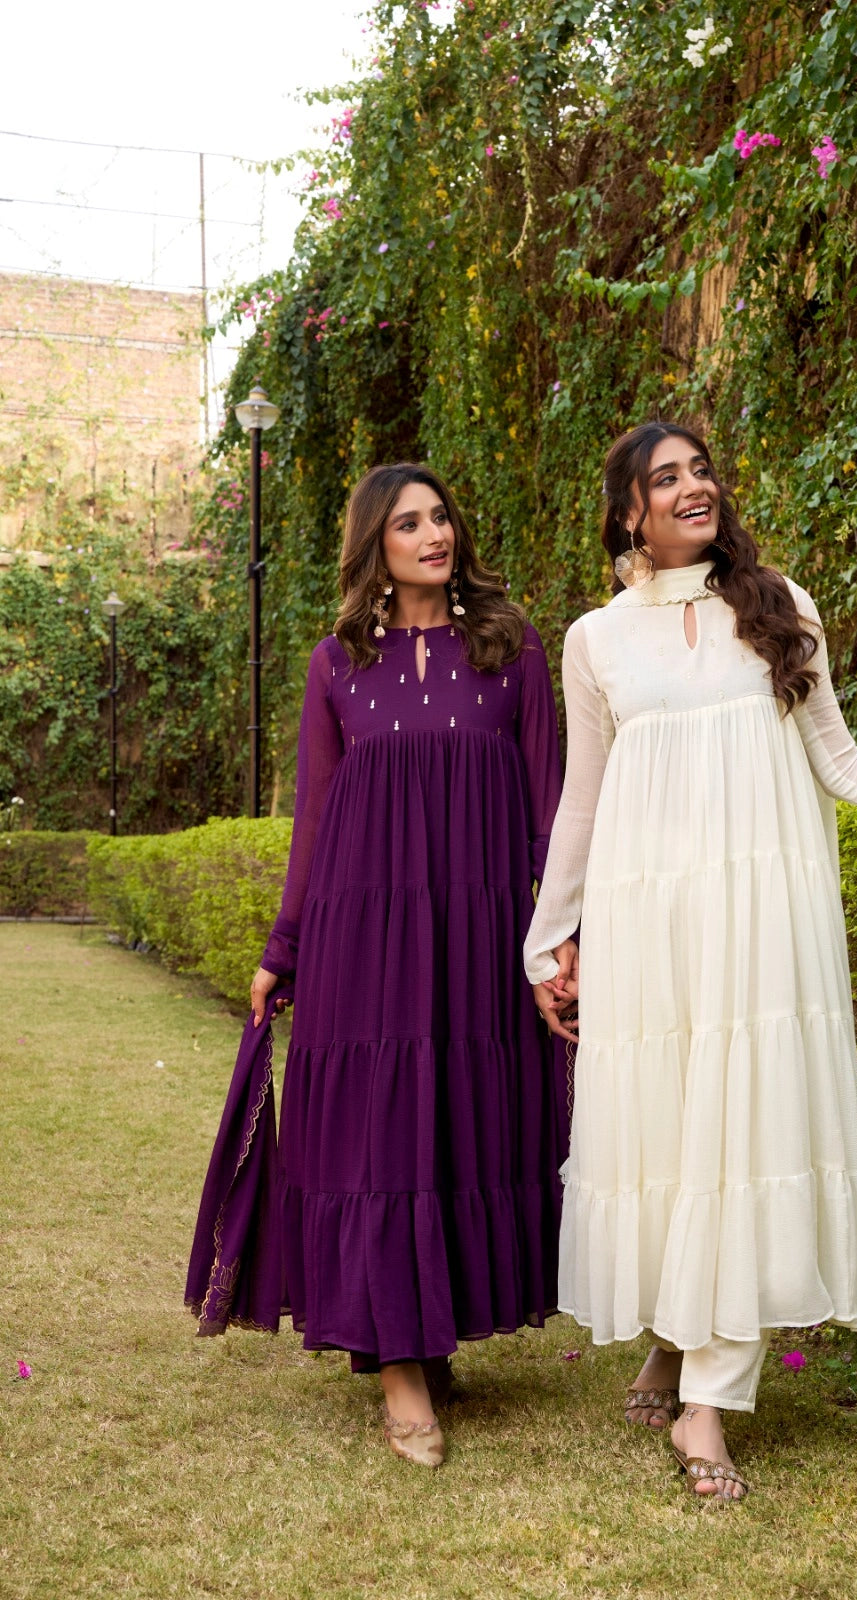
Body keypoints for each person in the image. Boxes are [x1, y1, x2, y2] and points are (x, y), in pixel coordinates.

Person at [524, 420, 857, 1504]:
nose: (694, 487)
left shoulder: (778, 608)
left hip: (762, 918)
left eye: (700, 470)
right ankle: (671, 1340)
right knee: (671, 1133)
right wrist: (549, 936)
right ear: (628, 512)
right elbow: (584, 797)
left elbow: (840, 763)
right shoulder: (595, 640)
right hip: (650, 921)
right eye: (666, 478)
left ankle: (708, 1401)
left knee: (746, 1130)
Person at [249, 461, 564, 1468]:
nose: (434, 535)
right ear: (374, 547)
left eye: (440, 518)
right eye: (408, 524)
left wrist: (563, 932)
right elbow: (314, 815)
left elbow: (552, 808)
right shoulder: (336, 663)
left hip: (480, 936)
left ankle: (428, 1332)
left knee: (462, 1127)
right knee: (381, 1137)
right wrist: (284, 948)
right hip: (364, 937)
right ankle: (397, 1369)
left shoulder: (512, 649)